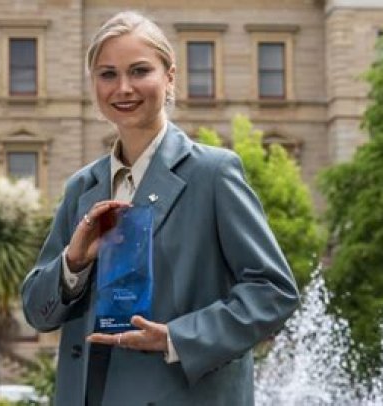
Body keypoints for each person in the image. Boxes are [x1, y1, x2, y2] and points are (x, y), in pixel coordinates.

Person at [21, 10, 299, 406]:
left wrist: (177, 339)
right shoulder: (82, 187)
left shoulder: (213, 174)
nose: (123, 88)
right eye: (107, 74)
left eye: (139, 71)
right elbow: (38, 312)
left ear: (169, 77)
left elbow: (273, 291)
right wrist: (73, 263)